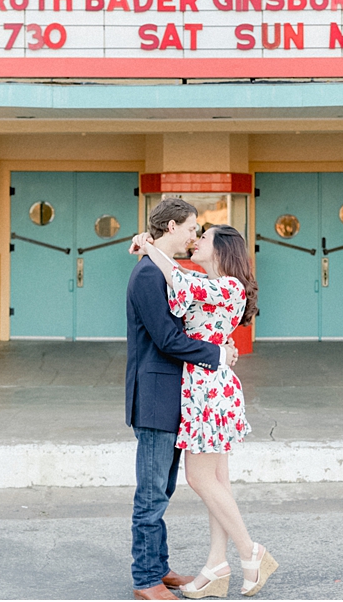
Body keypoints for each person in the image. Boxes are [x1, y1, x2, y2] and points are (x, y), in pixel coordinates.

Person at [132, 221, 278, 600]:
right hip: (203, 385)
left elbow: (180, 284)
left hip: (208, 389)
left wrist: (150, 248)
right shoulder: (204, 281)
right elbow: (180, 288)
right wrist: (153, 250)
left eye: (204, 237)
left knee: (200, 480)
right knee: (218, 482)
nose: (196, 241)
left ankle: (250, 551)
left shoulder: (228, 286)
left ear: (222, 249)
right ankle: (216, 564)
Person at [126, 197, 240, 601]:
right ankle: (145, 580)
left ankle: (158, 566)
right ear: (172, 227)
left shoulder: (164, 270)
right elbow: (168, 339)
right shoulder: (146, 276)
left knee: (164, 490)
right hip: (156, 397)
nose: (195, 236)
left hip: (176, 397)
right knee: (152, 493)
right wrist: (218, 354)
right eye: (192, 228)